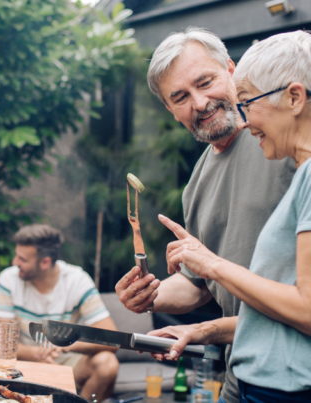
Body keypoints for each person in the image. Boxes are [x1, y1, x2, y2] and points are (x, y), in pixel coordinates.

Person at [114, 27, 296, 403]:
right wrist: (152, 294)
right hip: (240, 367)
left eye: (206, 82)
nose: (199, 103)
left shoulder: (284, 142)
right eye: (180, 96)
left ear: (232, 70)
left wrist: (202, 328)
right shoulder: (195, 183)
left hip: (293, 371)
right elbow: (200, 283)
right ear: (170, 109)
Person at [0, 224, 119, 402]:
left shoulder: (77, 280)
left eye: (22, 259)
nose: (15, 262)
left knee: (107, 363)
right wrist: (37, 354)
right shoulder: (9, 279)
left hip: (64, 360)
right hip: (21, 360)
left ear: (45, 262)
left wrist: (66, 345)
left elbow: (112, 340)